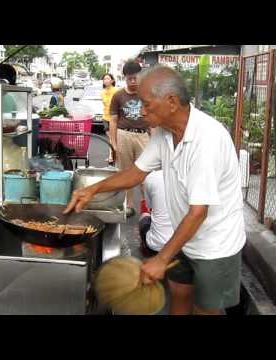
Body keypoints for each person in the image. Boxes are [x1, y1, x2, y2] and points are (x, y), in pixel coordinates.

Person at [64, 65, 246, 315]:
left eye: (147, 104)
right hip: (183, 235)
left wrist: (161, 259)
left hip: (214, 243)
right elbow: (137, 172)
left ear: (171, 101)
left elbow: (199, 212)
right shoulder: (164, 133)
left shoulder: (207, 140)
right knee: (180, 293)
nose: (142, 111)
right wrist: (93, 189)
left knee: (206, 310)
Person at [109, 60, 150, 217]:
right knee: (125, 174)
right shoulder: (118, 95)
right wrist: (113, 143)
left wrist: (153, 139)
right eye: (129, 78)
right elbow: (113, 120)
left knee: (146, 173)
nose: (133, 81)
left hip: (142, 135)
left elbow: (153, 117)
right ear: (125, 78)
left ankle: (147, 207)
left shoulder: (146, 94)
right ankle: (129, 206)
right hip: (123, 134)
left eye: (135, 78)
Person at [139, 170, 174, 258]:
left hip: (157, 245)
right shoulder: (200, 178)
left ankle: (146, 251)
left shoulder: (152, 177)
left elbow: (150, 207)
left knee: (145, 216)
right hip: (189, 246)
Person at [100, 73, 119, 163]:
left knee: (113, 138)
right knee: (111, 138)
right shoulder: (102, 92)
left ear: (112, 81)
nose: (106, 80)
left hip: (114, 118)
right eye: (104, 79)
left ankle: (112, 156)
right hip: (105, 118)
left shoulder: (116, 91)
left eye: (108, 78)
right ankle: (112, 155)